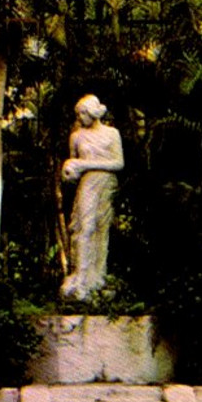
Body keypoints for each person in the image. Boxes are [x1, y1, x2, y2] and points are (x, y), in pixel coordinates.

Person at [60, 95, 124, 301]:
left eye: (82, 114)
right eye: (78, 115)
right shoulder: (76, 136)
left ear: (93, 112)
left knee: (101, 228)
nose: (80, 118)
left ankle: (98, 277)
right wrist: (69, 171)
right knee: (84, 227)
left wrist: (86, 164)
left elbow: (118, 163)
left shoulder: (112, 134)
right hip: (87, 184)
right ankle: (81, 274)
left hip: (106, 183)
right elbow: (73, 163)